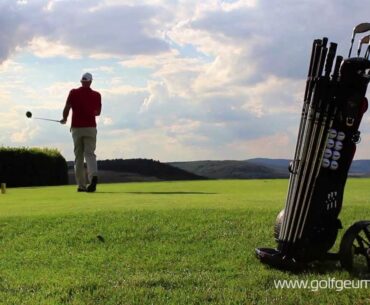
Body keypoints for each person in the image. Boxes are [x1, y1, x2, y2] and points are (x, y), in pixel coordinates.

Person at [60, 72, 102, 192]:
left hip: (76, 128)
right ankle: (93, 176)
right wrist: (89, 111)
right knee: (90, 154)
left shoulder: (73, 92)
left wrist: (64, 119)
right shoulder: (97, 95)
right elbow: (98, 112)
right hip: (90, 128)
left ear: (81, 81)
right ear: (90, 82)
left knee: (78, 157)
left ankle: (81, 185)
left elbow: (67, 107)